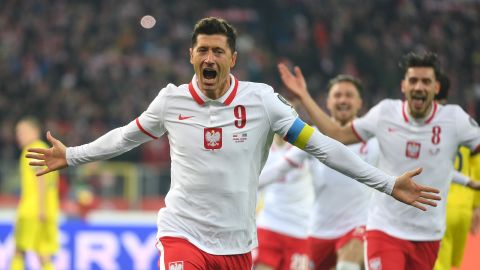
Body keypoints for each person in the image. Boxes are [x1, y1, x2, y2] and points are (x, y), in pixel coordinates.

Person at [26, 18, 440, 270]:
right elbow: (125, 136)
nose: (209, 57)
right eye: (202, 50)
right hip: (182, 232)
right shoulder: (171, 100)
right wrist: (73, 155)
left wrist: (387, 183)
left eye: (218, 51)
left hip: (238, 244)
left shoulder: (261, 101)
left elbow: (324, 147)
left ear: (232, 59)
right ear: (191, 55)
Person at [278, 51, 480, 270]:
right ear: (403, 86)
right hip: (384, 229)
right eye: (413, 81)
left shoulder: (455, 119)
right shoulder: (385, 113)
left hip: (428, 234)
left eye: (426, 81)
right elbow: (337, 134)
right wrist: (305, 97)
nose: (419, 87)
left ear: (436, 88)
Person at [270, 74, 378, 270]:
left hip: (357, 226)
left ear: (359, 102)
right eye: (337, 95)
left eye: (348, 95)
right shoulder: (313, 135)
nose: (343, 100)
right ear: (328, 102)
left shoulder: (373, 141)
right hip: (319, 229)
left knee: (347, 266)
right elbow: (280, 169)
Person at [433, 72, 480, 270]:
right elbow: (478, 167)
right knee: (453, 265)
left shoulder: (426, 126)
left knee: (439, 264)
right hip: (463, 209)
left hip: (439, 207)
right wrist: (477, 205)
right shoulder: (467, 124)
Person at [254, 134, 314, 270]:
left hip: (300, 229)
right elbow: (253, 188)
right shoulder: (261, 149)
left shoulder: (306, 146)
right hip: (269, 224)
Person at [11, 117, 60, 270]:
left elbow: (41, 178)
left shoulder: (32, 149)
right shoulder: (45, 149)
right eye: (18, 132)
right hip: (48, 209)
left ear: (35, 132)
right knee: (43, 253)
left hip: (32, 209)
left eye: (23, 131)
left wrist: (40, 208)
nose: (20, 135)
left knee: (19, 250)